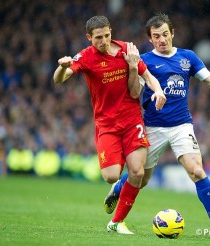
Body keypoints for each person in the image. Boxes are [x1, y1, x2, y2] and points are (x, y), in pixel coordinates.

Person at [104, 13, 210, 238]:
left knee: (197, 170)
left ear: (172, 33)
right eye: (156, 36)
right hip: (152, 126)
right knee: (141, 180)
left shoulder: (188, 57)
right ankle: (119, 187)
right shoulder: (144, 60)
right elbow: (133, 91)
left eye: (165, 34)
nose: (162, 39)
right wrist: (134, 70)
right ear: (150, 39)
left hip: (181, 125)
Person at [53, 15, 166, 234]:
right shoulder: (85, 57)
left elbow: (148, 76)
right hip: (106, 126)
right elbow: (60, 79)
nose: (104, 41)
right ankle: (118, 186)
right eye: (98, 38)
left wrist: (158, 90)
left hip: (133, 120)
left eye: (107, 35)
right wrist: (62, 67)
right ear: (89, 37)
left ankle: (116, 222)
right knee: (111, 176)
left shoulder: (127, 50)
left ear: (111, 32)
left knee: (137, 172)